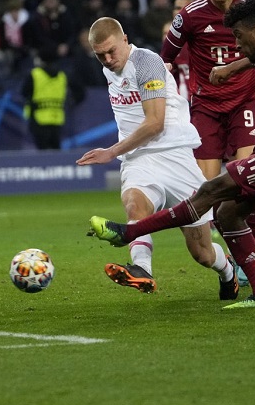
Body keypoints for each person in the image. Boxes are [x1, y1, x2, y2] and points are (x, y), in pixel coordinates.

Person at [88, 0, 255, 309]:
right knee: (226, 213)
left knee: (211, 196)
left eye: (238, 36)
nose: (235, 43)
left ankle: (131, 232)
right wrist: (233, 66)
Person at [77, 17, 239, 299]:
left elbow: (155, 123)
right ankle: (141, 269)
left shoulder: (147, 63)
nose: (107, 59)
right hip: (139, 159)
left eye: (111, 51)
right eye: (99, 55)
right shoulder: (111, 68)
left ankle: (228, 272)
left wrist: (111, 152)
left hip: (175, 156)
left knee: (200, 252)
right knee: (134, 204)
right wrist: (122, 152)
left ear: (125, 39)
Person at [159, 0, 255, 281]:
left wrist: (233, 67)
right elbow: (166, 59)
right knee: (209, 189)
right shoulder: (189, 16)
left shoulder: (253, 11)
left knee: (247, 180)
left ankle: (251, 251)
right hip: (206, 109)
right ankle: (228, 258)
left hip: (244, 103)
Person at [20, 51, 82, 150]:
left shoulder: (34, 74)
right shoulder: (63, 75)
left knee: (41, 150)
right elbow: (80, 92)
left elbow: (24, 92)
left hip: (38, 117)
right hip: (57, 117)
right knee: (56, 148)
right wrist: (72, 102)